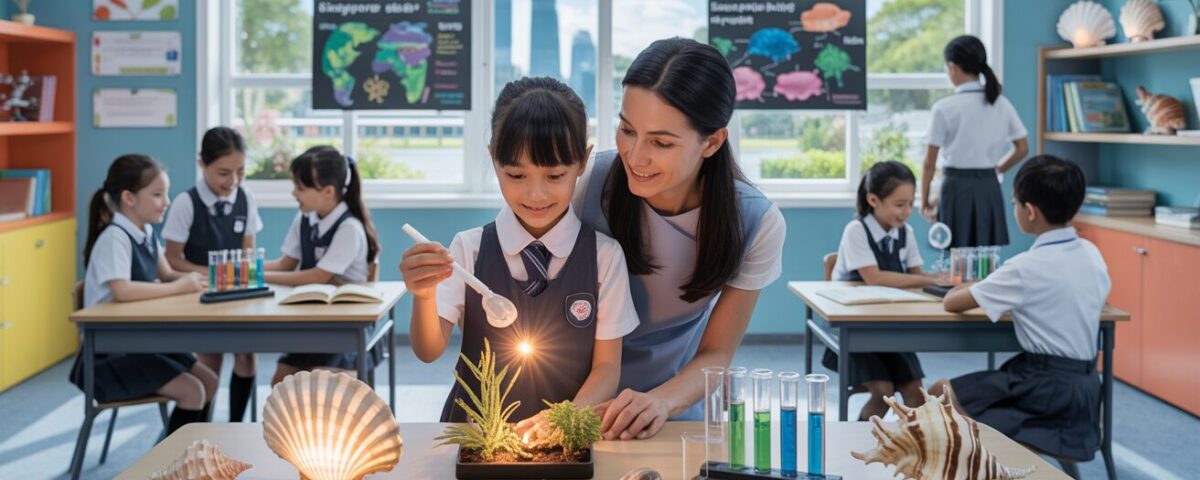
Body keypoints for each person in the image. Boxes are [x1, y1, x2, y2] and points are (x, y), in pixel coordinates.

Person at [574, 37, 787, 440]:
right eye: (627, 129)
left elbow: (716, 353)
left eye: (661, 142)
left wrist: (660, 402)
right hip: (571, 407)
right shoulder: (586, 185)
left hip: (671, 415)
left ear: (712, 142)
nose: (635, 156)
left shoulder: (757, 222)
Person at [399, 77, 639, 430]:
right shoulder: (469, 249)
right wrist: (422, 296)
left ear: (583, 161)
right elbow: (427, 350)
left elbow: (607, 369)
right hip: (475, 435)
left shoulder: (604, 257)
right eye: (516, 175)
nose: (536, 194)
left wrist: (561, 422)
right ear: (493, 157)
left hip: (565, 439)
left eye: (554, 176)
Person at [931, 155, 1109, 462]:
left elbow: (951, 302)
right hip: (1086, 390)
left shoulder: (1025, 267)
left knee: (937, 392)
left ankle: (984, 463)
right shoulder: (1092, 253)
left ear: (1030, 211)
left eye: (1014, 203)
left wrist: (983, 280)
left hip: (1042, 389)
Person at [69, 154, 216, 433]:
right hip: (108, 356)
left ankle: (192, 450)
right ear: (129, 198)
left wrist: (202, 281)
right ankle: (172, 459)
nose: (167, 202)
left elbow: (168, 274)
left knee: (209, 381)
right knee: (193, 392)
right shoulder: (115, 238)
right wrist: (178, 287)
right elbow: (122, 291)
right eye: (158, 194)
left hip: (139, 344)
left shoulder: (145, 231)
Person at [825, 161, 943, 419]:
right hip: (854, 333)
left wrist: (941, 279)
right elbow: (874, 277)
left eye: (910, 204)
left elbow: (916, 276)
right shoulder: (856, 230)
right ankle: (860, 443)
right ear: (873, 200)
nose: (907, 212)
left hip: (891, 329)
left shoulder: (906, 233)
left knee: (916, 393)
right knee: (883, 393)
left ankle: (911, 443)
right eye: (899, 204)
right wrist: (930, 278)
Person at [162, 127, 262, 421]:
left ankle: (234, 425)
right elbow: (172, 259)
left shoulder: (246, 198)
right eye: (223, 173)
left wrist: (235, 276)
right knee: (210, 362)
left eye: (240, 172)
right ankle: (202, 428)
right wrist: (216, 273)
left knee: (247, 356)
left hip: (236, 294)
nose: (233, 181)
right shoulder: (186, 203)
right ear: (202, 164)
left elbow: (247, 254)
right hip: (200, 296)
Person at [262, 146, 381, 384]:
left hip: (347, 329)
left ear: (328, 191)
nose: (294, 193)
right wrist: (245, 269)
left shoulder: (349, 228)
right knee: (280, 384)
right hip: (313, 323)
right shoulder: (304, 219)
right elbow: (285, 264)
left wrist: (256, 277)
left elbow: (318, 276)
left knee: (317, 387)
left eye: (300, 188)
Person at [921, 35, 1028, 248]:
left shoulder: (944, 108)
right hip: (988, 186)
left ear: (952, 67)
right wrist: (996, 170)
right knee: (987, 255)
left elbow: (929, 163)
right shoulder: (1001, 104)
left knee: (955, 254)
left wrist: (924, 200)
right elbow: (1022, 148)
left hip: (955, 186)